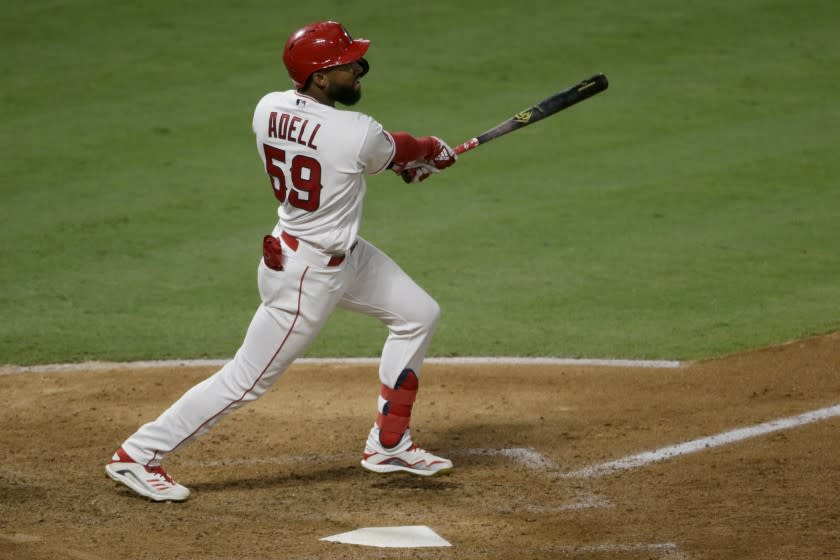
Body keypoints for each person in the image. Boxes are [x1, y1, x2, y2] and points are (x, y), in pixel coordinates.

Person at [104, 20, 457, 502]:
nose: (357, 70)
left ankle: (389, 442)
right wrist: (432, 153)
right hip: (306, 276)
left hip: (336, 255)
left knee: (419, 314)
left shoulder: (267, 108)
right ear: (317, 78)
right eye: (346, 65)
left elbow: (374, 154)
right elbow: (401, 149)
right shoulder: (357, 132)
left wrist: (407, 162)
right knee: (246, 379)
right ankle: (138, 455)